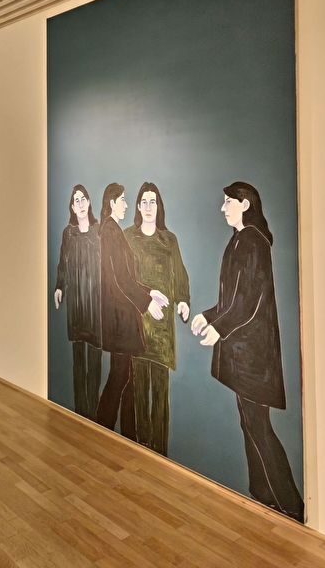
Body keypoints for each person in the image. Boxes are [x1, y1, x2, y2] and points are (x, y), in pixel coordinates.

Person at [191, 181, 304, 522]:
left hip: (255, 357)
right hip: (244, 354)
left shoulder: (253, 241)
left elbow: (249, 301)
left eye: (228, 202)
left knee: (258, 426)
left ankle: (290, 505)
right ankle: (262, 494)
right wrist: (208, 316)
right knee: (250, 422)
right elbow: (232, 300)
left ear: (245, 204)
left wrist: (218, 328)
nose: (223, 208)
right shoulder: (240, 240)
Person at [96, 183, 168, 441]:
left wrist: (151, 292)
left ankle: (125, 435)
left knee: (124, 376)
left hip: (122, 318)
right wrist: (147, 303)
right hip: (119, 320)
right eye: (123, 200)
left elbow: (127, 278)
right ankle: (101, 428)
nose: (127, 205)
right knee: (119, 377)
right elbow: (121, 279)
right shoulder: (110, 231)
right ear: (112, 203)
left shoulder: (113, 230)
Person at [124, 182, 190, 455]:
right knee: (139, 388)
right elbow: (124, 280)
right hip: (137, 324)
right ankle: (142, 447)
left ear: (158, 207)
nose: (149, 207)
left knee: (161, 391)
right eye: (145, 202)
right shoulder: (128, 238)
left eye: (153, 201)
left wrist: (183, 300)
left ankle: (160, 451)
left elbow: (180, 274)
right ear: (138, 207)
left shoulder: (168, 240)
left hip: (162, 328)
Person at [54, 185, 102, 420]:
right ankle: (81, 413)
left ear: (89, 203)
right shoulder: (68, 233)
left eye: (84, 199)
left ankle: (93, 414)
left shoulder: (99, 232)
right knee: (78, 361)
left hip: (96, 306)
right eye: (77, 201)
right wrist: (59, 286)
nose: (81, 204)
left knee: (95, 362)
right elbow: (62, 264)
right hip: (76, 306)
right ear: (72, 207)